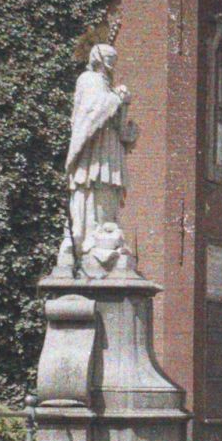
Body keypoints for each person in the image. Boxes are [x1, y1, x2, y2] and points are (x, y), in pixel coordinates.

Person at [60, 44, 133, 276]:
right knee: (93, 185)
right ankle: (89, 242)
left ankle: (105, 234)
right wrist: (116, 98)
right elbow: (93, 111)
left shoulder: (107, 85)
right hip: (95, 149)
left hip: (110, 147)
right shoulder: (88, 79)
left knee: (109, 187)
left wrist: (124, 104)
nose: (113, 60)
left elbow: (120, 127)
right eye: (110, 56)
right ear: (99, 58)